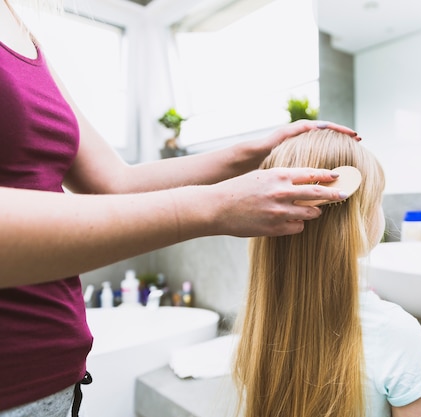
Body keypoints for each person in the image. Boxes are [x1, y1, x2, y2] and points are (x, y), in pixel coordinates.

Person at [0, 0, 361, 415]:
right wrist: (214, 208)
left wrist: (247, 153)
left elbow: (115, 184)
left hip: (56, 381)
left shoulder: (21, 31)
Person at [233, 130, 421, 417]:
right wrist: (410, 365)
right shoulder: (396, 333)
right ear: (356, 221)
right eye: (377, 199)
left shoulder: (260, 327)